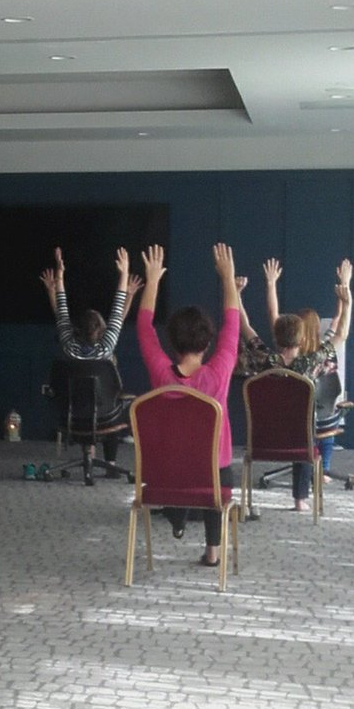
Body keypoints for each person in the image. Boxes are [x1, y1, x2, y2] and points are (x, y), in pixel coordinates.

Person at [137, 243, 240, 568]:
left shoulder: (159, 373)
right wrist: (227, 278)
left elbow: (143, 327)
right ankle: (213, 552)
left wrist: (153, 280)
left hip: (165, 474)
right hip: (210, 472)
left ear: (172, 342)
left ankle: (176, 514)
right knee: (221, 470)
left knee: (178, 470)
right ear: (208, 342)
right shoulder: (218, 374)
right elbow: (233, 324)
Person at [238, 257, 352, 510]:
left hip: (263, 437)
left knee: (300, 430)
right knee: (304, 433)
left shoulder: (265, 360)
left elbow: (245, 326)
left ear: (276, 336)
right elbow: (341, 333)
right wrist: (347, 296)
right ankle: (300, 500)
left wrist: (236, 295)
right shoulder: (310, 363)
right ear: (302, 338)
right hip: (300, 439)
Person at [39, 247, 142, 474]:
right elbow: (117, 312)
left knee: (88, 402)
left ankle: (89, 458)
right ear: (103, 330)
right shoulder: (107, 347)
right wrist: (124, 274)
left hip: (71, 418)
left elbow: (62, 311)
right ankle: (111, 465)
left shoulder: (68, 344)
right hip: (106, 418)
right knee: (113, 402)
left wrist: (60, 275)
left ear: (76, 329)